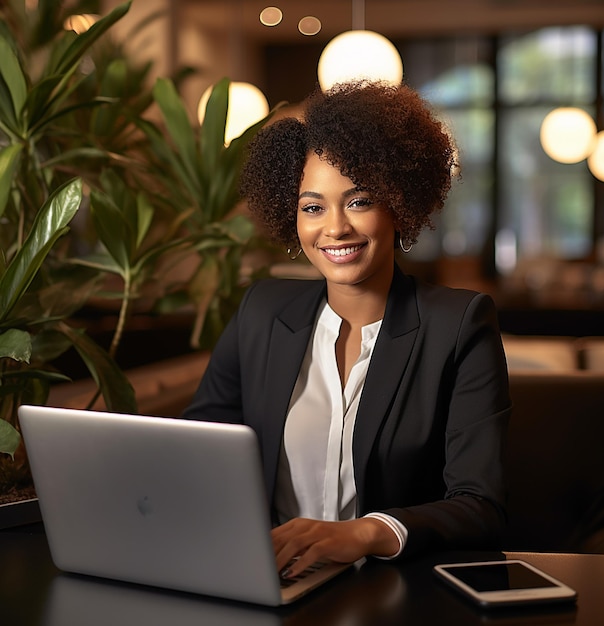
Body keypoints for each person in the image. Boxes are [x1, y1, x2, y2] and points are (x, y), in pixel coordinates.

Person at [182, 80, 511, 580]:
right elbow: (195, 452)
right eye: (312, 207)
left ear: (399, 206)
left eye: (358, 201)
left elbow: (480, 505)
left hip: (389, 591)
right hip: (272, 581)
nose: (334, 228)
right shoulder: (261, 312)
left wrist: (364, 533)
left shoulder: (459, 325)